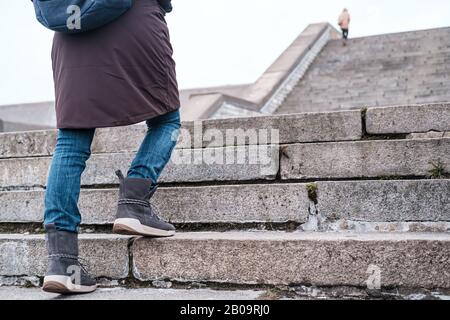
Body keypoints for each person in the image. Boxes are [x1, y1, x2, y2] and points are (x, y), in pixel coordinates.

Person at [42, 0, 180, 294]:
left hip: (72, 37)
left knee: (71, 141)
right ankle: (134, 202)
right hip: (134, 25)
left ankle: (62, 262)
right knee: (167, 119)